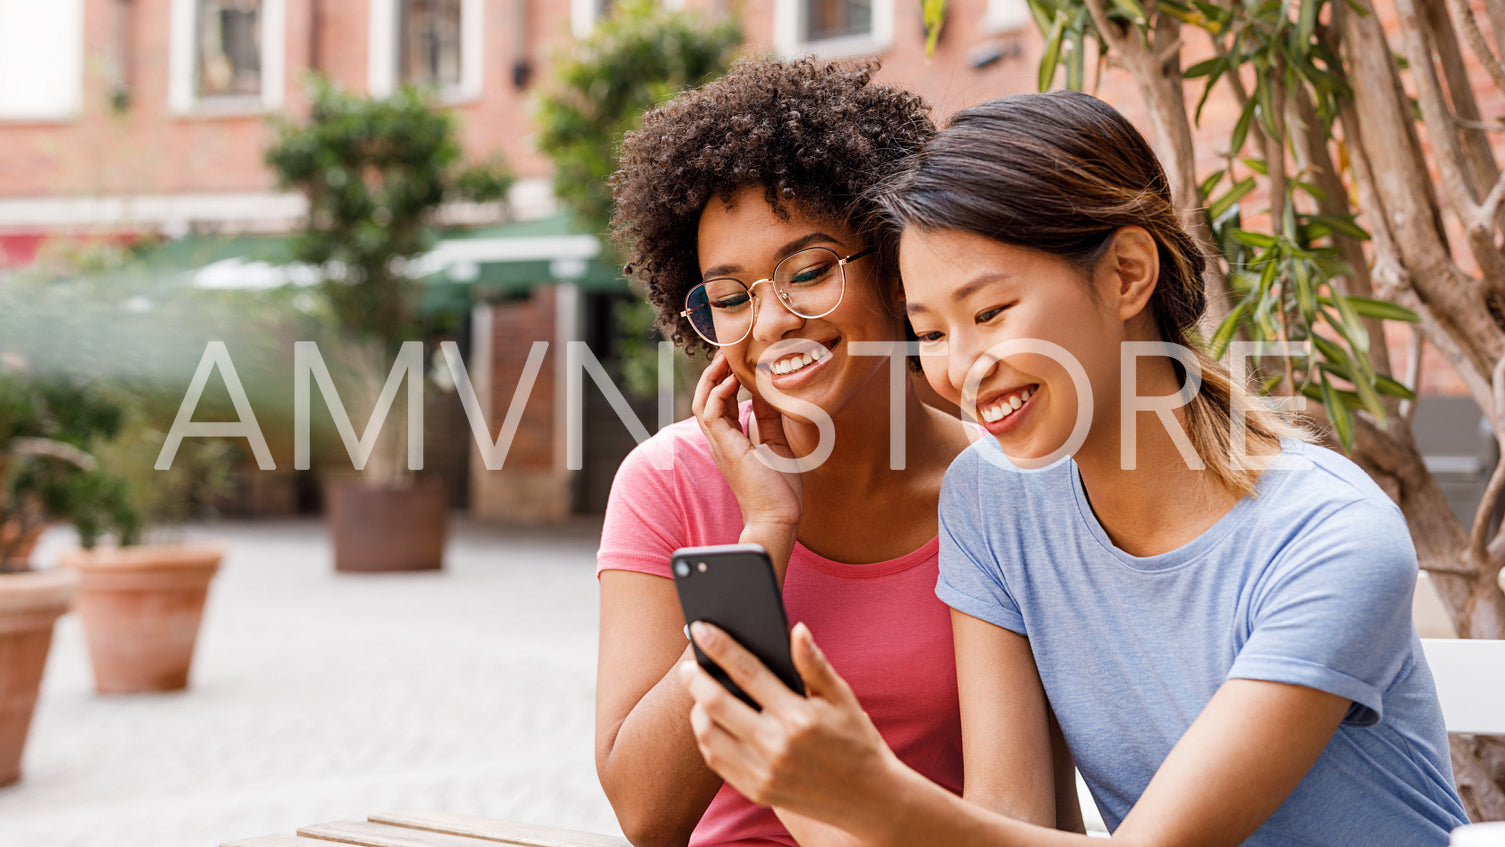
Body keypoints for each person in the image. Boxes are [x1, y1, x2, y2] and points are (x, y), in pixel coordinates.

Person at [679, 90, 1472, 847]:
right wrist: (794, 761)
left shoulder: (1328, 535)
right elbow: (1011, 817)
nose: (959, 368)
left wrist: (872, 792)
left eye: (988, 313)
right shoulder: (993, 500)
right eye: (928, 332)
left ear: (1127, 273)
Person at [596, 59, 1080, 847]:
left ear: (895, 268)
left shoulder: (1003, 476)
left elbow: (1028, 804)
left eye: (810, 271)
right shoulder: (668, 480)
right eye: (729, 297)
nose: (772, 321)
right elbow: (645, 814)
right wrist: (763, 531)